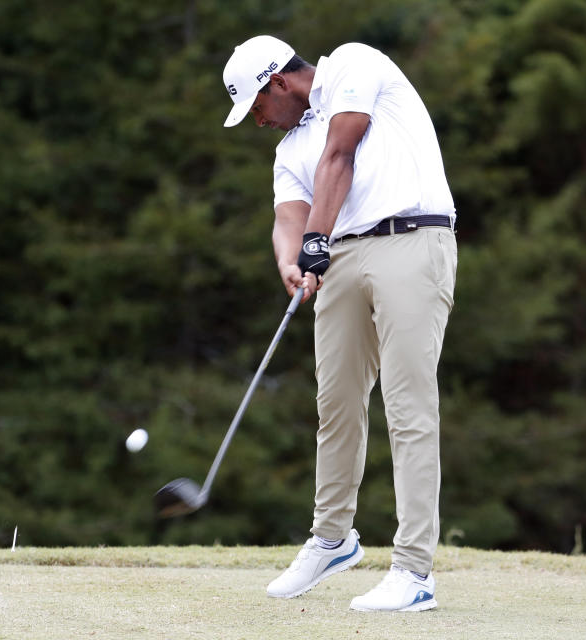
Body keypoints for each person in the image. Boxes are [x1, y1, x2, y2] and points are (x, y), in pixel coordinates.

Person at [222, 35, 457, 612]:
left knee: (408, 407)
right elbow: (289, 215)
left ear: (279, 82)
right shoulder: (287, 147)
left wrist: (315, 241)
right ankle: (333, 539)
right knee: (337, 403)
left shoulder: (355, 63)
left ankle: (413, 570)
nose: (259, 122)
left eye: (256, 107)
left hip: (412, 236)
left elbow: (341, 154)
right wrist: (289, 257)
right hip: (342, 259)